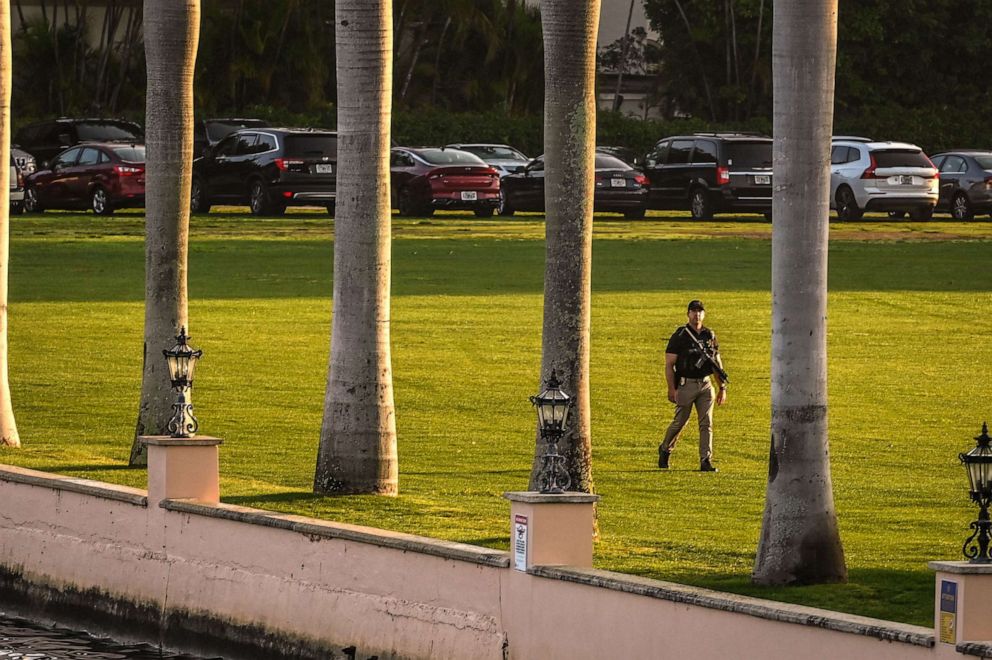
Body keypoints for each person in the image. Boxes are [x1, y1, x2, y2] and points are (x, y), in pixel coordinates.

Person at [658, 300, 727, 472]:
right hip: (685, 384)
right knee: (680, 422)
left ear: (704, 314)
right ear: (688, 314)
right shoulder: (680, 336)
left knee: (706, 423)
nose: (697, 315)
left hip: (705, 384)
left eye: (700, 312)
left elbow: (716, 363)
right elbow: (669, 364)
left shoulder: (709, 335)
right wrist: (671, 389)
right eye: (693, 311)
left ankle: (706, 460)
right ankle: (665, 448)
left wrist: (722, 388)